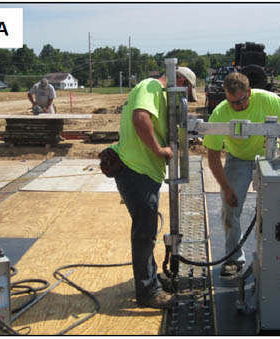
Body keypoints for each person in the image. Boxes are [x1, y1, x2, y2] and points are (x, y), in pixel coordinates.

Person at [110, 67, 198, 308]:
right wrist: (159, 150)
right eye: (185, 95)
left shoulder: (158, 94)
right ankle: (148, 292)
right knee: (144, 233)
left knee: (146, 230)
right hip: (136, 170)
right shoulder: (149, 87)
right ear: (179, 81)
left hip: (144, 170)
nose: (184, 103)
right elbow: (140, 117)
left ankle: (149, 278)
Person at [203, 72, 280, 277]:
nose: (237, 107)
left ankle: (276, 255)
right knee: (229, 209)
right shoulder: (220, 113)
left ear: (249, 92)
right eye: (232, 103)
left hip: (269, 156)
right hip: (238, 159)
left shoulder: (267, 100)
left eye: (241, 101)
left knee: (275, 208)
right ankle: (234, 258)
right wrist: (227, 188)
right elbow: (213, 157)